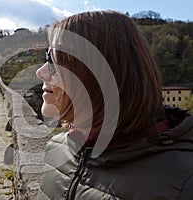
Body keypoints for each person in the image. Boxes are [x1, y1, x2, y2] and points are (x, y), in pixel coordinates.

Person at [36, 10, 193, 200]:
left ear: (100, 74)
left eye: (55, 61)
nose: (40, 73)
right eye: (47, 58)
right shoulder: (56, 149)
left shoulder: (183, 183)